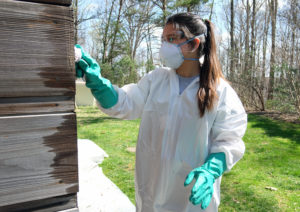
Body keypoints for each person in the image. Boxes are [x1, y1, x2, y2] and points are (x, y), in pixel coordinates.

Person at [75, 12, 247, 212]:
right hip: (151, 193)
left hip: (191, 196)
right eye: (163, 39)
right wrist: (97, 82)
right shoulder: (156, 79)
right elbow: (125, 103)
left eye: (172, 39)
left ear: (193, 44)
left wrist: (210, 171)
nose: (164, 46)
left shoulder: (220, 91)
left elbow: (230, 140)